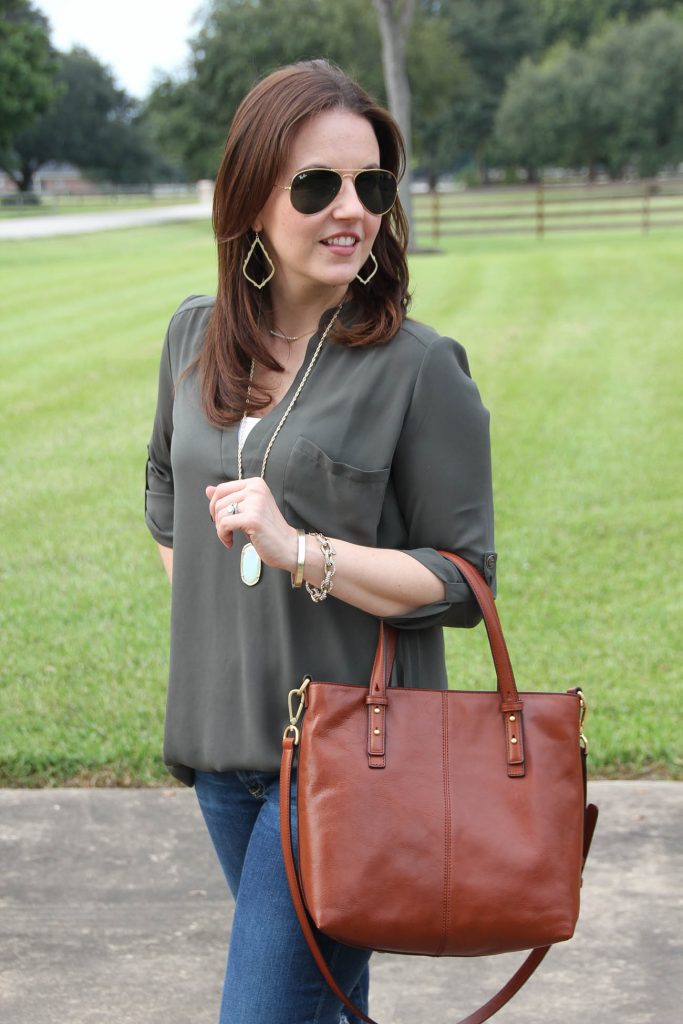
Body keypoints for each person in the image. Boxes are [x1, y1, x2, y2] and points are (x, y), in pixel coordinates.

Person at [145, 58, 496, 1024]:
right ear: (253, 198)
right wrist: (222, 624)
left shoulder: (419, 369)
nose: (351, 209)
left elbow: (463, 580)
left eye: (372, 185)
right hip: (222, 752)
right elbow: (166, 488)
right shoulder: (193, 337)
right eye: (318, 185)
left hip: (349, 759)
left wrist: (298, 551)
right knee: (321, 1006)